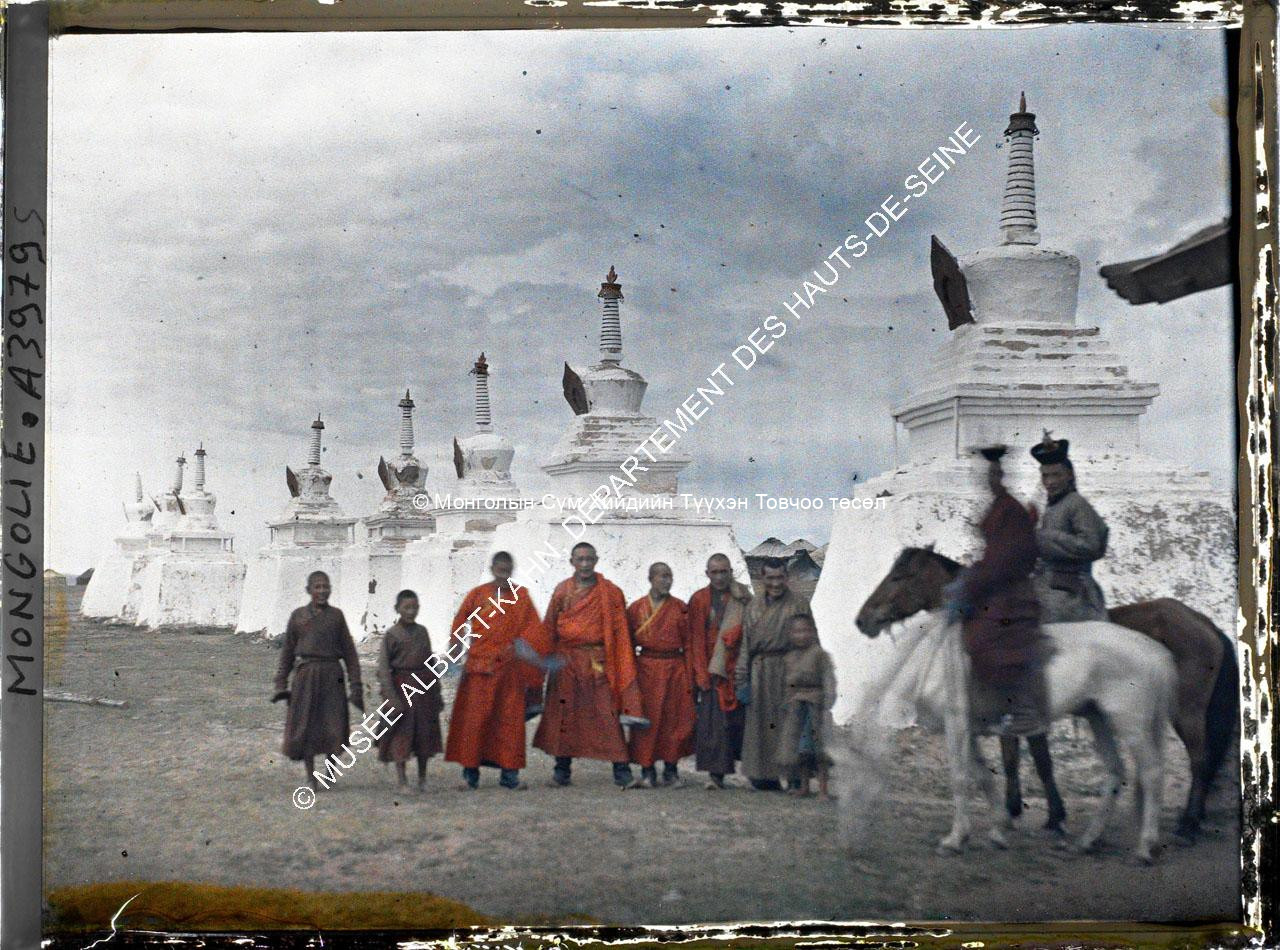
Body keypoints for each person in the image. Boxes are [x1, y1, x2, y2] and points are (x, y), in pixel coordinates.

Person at [944, 445, 1047, 737]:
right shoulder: (997, 508)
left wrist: (975, 581)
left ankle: (1021, 708)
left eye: (995, 473)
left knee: (986, 640)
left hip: (1013, 590)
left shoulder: (1011, 510)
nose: (990, 479)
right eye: (987, 475)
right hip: (995, 584)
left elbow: (1005, 559)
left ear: (1002, 475)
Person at [533, 541, 645, 788]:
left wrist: (618, 662)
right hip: (567, 662)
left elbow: (620, 632)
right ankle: (562, 771)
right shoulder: (562, 591)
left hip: (597, 661)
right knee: (565, 715)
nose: (585, 564)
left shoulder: (610, 592)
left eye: (589, 559)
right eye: (580, 559)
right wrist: (542, 659)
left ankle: (622, 771)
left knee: (607, 714)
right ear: (572, 562)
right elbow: (549, 627)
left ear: (596, 560)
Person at [444, 551, 550, 790]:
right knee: (475, 722)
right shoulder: (478, 595)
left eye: (507, 571)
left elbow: (534, 630)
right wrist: (455, 652)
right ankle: (470, 776)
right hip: (479, 669)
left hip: (509, 671)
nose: (503, 575)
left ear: (511, 570)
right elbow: (460, 622)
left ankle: (509, 776)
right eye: (499, 570)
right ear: (492, 569)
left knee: (509, 723)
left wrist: (526, 651)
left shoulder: (520, 596)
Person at [272, 570, 365, 790]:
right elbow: (287, 654)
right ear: (308, 590)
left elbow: (350, 653)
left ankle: (330, 773)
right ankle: (310, 777)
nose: (322, 591)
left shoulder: (336, 616)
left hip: (333, 676)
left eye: (326, 586)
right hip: (306, 678)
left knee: (333, 725)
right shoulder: (298, 617)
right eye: (317, 587)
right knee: (307, 727)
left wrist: (356, 686)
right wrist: (280, 683)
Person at [735, 557, 811, 790]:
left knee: (792, 723)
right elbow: (746, 644)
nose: (775, 583)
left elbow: (809, 638)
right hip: (761, 670)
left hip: (790, 668)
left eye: (780, 578)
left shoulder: (799, 603)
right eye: (770, 578)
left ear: (786, 578)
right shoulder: (754, 607)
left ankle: (795, 776)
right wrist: (742, 678)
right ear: (762, 578)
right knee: (763, 725)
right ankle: (765, 776)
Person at [625, 562, 696, 788]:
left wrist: (689, 674)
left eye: (670, 576)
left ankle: (671, 770)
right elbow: (627, 644)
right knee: (647, 721)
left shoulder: (680, 608)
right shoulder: (636, 609)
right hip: (645, 668)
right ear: (650, 578)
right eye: (662, 576)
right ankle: (647, 771)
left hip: (675, 668)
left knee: (673, 720)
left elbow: (690, 644)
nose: (667, 581)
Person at [1028, 431, 1109, 622]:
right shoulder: (1052, 506)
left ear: (1069, 474)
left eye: (1056, 475)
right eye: (1045, 476)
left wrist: (1045, 538)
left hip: (1073, 591)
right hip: (1047, 583)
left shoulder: (1076, 503)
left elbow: (1092, 544)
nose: (1050, 482)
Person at [688, 553, 752, 789]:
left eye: (724, 571)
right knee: (714, 726)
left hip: (737, 667)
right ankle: (716, 775)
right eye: (714, 572)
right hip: (712, 669)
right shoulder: (699, 599)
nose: (719, 576)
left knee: (742, 723)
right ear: (707, 574)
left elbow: (750, 631)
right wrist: (701, 673)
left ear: (730, 572)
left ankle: (755, 773)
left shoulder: (742, 598)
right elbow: (695, 639)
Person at [375, 589, 443, 790]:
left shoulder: (422, 632)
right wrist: (391, 697)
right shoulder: (391, 635)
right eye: (406, 607)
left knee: (424, 735)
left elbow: (431, 662)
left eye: (414, 607)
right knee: (401, 736)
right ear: (397, 609)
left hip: (423, 690)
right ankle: (402, 780)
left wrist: (436, 691)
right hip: (401, 689)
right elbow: (383, 668)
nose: (411, 612)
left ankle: (422, 780)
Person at [776, 614, 836, 800]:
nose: (801, 635)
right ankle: (804, 787)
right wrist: (786, 703)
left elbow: (829, 680)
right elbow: (786, 684)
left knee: (819, 751)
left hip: (815, 708)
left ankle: (823, 789)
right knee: (800, 751)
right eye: (796, 632)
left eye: (805, 631)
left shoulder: (820, 655)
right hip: (796, 708)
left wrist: (827, 702)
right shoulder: (789, 657)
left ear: (812, 632)